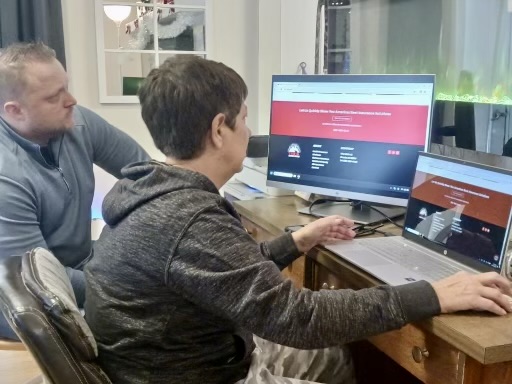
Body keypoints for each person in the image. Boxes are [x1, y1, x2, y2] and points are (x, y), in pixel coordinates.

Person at [85, 55, 512, 384]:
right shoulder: (190, 219)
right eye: (245, 119)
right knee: (332, 347)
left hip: (166, 363)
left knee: (338, 357)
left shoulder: (155, 192)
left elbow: (220, 271)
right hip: (197, 375)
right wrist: (433, 294)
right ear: (219, 130)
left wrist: (294, 242)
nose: (250, 132)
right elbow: (300, 319)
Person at [0, 42, 150, 339]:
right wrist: (126, 288)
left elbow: (148, 175)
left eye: (66, 87)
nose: (72, 100)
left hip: (80, 266)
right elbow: (39, 282)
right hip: (24, 300)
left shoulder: (77, 121)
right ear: (15, 111)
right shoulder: (6, 176)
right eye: (55, 97)